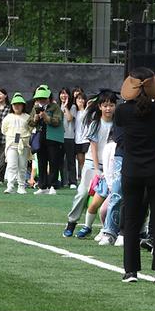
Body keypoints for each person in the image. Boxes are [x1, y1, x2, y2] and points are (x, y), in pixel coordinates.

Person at [114, 67, 155, 283]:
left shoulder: (122, 111)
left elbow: (122, 126)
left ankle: (130, 271)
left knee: (131, 220)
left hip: (132, 171)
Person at [64, 90, 116, 236]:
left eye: (111, 105)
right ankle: (71, 223)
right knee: (82, 193)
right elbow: (93, 147)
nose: (108, 108)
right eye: (105, 105)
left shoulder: (117, 125)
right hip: (92, 164)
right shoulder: (95, 123)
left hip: (110, 166)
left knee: (110, 196)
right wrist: (98, 170)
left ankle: (103, 229)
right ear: (99, 106)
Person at [29, 85, 63, 194]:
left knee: (53, 161)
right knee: (41, 162)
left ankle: (53, 185)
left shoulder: (55, 107)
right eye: (39, 99)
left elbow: (57, 121)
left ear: (49, 97)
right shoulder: (35, 108)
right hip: (40, 137)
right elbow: (29, 122)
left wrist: (46, 117)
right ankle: (42, 186)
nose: (41, 101)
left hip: (53, 138)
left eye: (43, 98)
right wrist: (35, 119)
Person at [0, 92, 30, 194]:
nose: (17, 106)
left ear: (23, 106)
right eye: (15, 104)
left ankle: (21, 186)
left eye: (19, 104)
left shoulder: (27, 117)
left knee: (22, 166)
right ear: (12, 106)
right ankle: (10, 186)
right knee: (11, 165)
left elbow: (31, 129)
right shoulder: (8, 117)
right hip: (11, 144)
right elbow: (3, 130)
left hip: (24, 144)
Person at [59, 87, 79, 189]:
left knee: (70, 160)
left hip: (69, 137)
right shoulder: (57, 106)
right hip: (59, 137)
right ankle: (64, 181)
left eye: (66, 94)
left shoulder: (73, 107)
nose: (63, 95)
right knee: (60, 160)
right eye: (62, 93)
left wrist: (66, 107)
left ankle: (73, 181)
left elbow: (70, 118)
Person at [73, 92, 89, 180]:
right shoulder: (74, 112)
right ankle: (83, 179)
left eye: (82, 98)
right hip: (77, 140)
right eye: (78, 98)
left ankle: (88, 179)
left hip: (86, 140)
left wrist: (85, 107)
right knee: (80, 161)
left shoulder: (87, 111)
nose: (80, 100)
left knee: (87, 161)